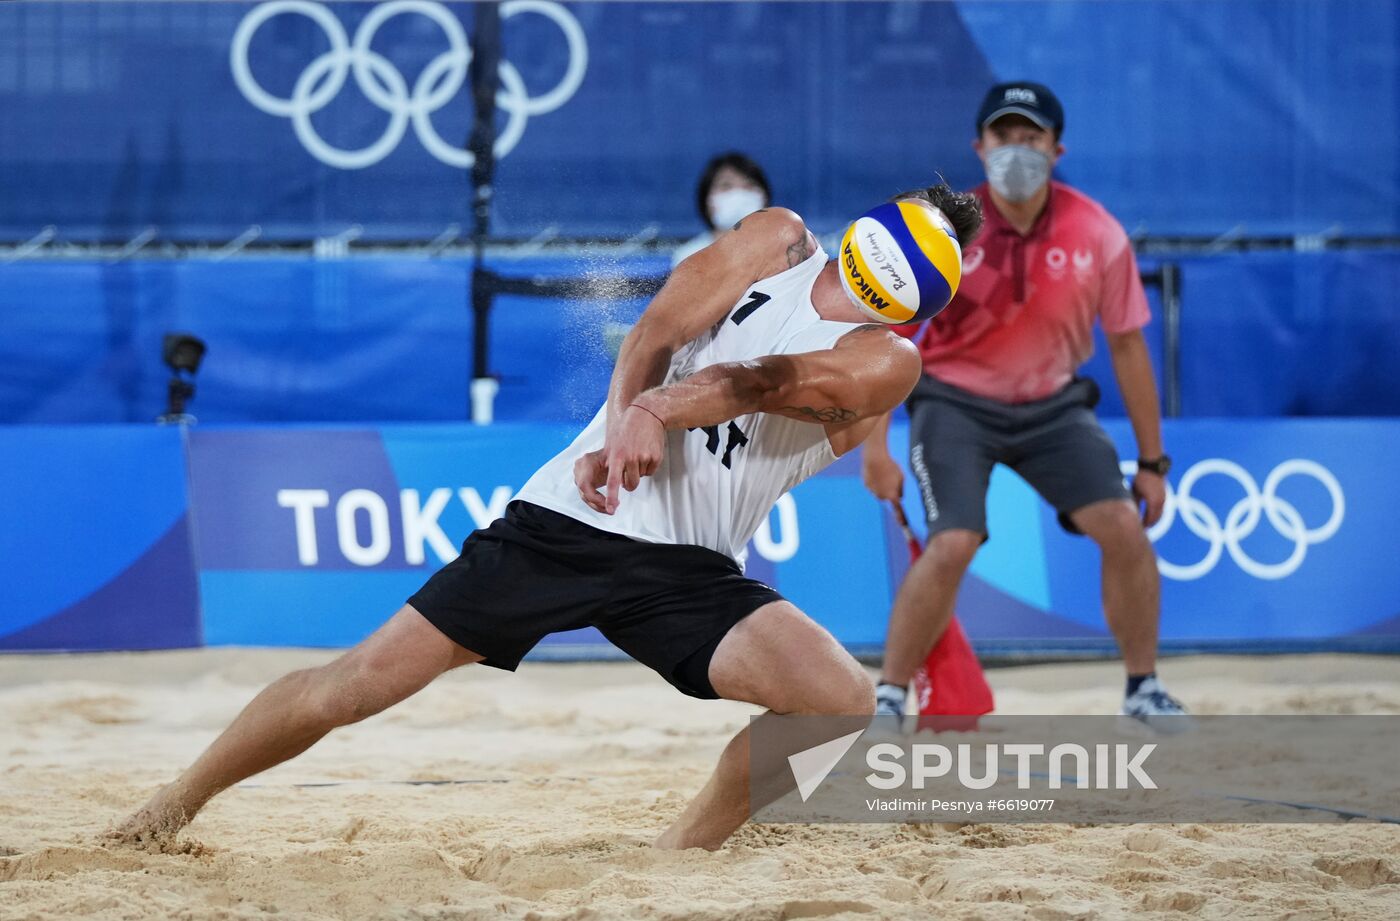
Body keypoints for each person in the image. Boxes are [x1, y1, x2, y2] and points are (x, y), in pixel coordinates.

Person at [116, 184, 984, 853]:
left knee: (835, 701)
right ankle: (168, 807)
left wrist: (656, 412)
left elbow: (758, 383)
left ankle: (678, 859)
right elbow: (652, 329)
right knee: (359, 683)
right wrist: (623, 419)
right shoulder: (777, 240)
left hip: (690, 569)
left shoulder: (884, 363)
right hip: (575, 516)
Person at [862, 82, 1188, 728]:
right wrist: (874, 445)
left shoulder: (1098, 231)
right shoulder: (942, 231)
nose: (1017, 149)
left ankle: (1143, 687)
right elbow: (889, 338)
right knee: (951, 542)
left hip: (1054, 408)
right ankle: (892, 694)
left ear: (1056, 148)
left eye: (1030, 136)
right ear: (979, 147)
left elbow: (1127, 348)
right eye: (1004, 136)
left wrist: (1153, 461)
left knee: (1125, 529)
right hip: (954, 404)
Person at [671, 152, 772, 267]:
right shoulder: (688, 258)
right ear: (707, 200)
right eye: (726, 186)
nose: (738, 195)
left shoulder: (785, 252)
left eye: (749, 186)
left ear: (765, 198)